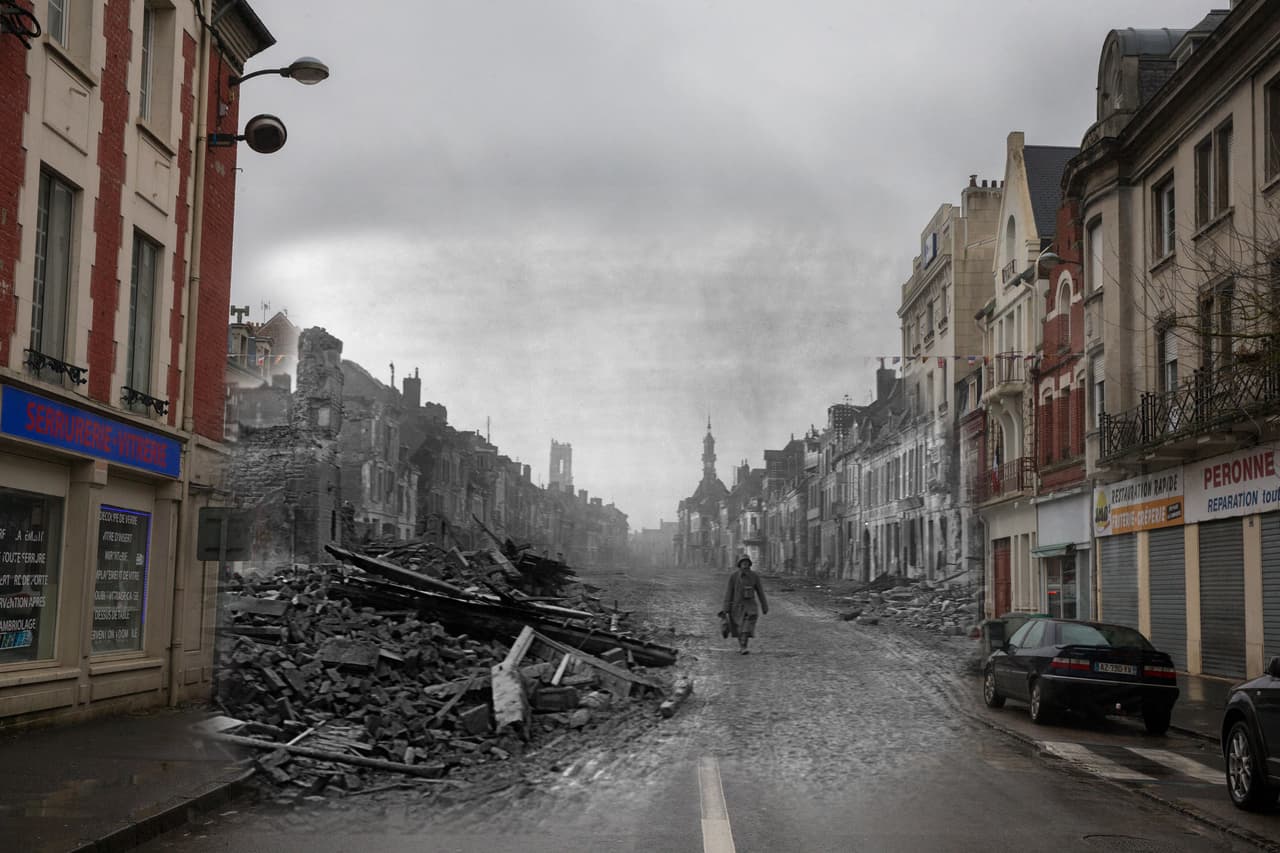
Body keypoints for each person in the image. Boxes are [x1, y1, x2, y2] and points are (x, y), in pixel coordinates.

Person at [722, 555, 768, 654]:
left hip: (750, 606)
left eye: (747, 562)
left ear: (750, 564)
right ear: (739, 564)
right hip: (737, 607)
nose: (745, 564)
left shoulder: (754, 576)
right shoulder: (734, 577)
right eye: (743, 562)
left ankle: (743, 646)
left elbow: (760, 592)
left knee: (746, 627)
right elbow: (729, 592)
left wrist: (764, 606)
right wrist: (726, 608)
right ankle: (742, 646)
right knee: (739, 628)